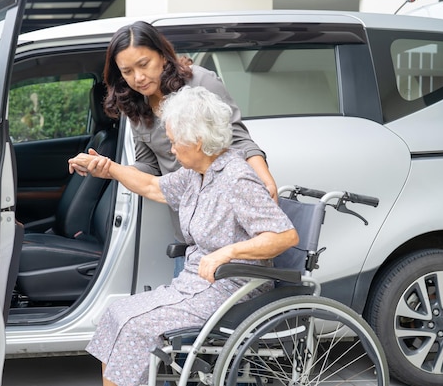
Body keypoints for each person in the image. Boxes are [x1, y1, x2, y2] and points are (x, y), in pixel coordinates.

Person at [70, 86, 299, 386]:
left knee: (136, 327)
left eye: (176, 141)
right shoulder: (197, 173)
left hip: (231, 288)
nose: (172, 149)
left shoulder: (235, 177)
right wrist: (109, 169)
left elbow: (285, 236)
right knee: (116, 313)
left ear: (199, 141)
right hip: (195, 284)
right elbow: (153, 187)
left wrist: (226, 253)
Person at [71, 20, 279, 276]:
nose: (138, 77)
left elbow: (239, 141)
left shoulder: (201, 82)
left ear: (162, 55)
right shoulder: (134, 105)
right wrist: (108, 168)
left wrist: (266, 181)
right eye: (127, 71)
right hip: (188, 230)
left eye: (144, 64)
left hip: (226, 225)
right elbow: (149, 167)